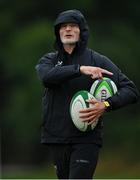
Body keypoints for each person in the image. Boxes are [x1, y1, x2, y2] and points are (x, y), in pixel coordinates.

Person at [35, 9, 139, 179]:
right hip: (57, 138)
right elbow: (47, 77)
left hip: (86, 138)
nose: (67, 29)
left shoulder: (98, 60)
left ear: (81, 31)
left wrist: (105, 105)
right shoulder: (50, 60)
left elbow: (131, 90)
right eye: (63, 26)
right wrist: (80, 69)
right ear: (58, 32)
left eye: (73, 25)